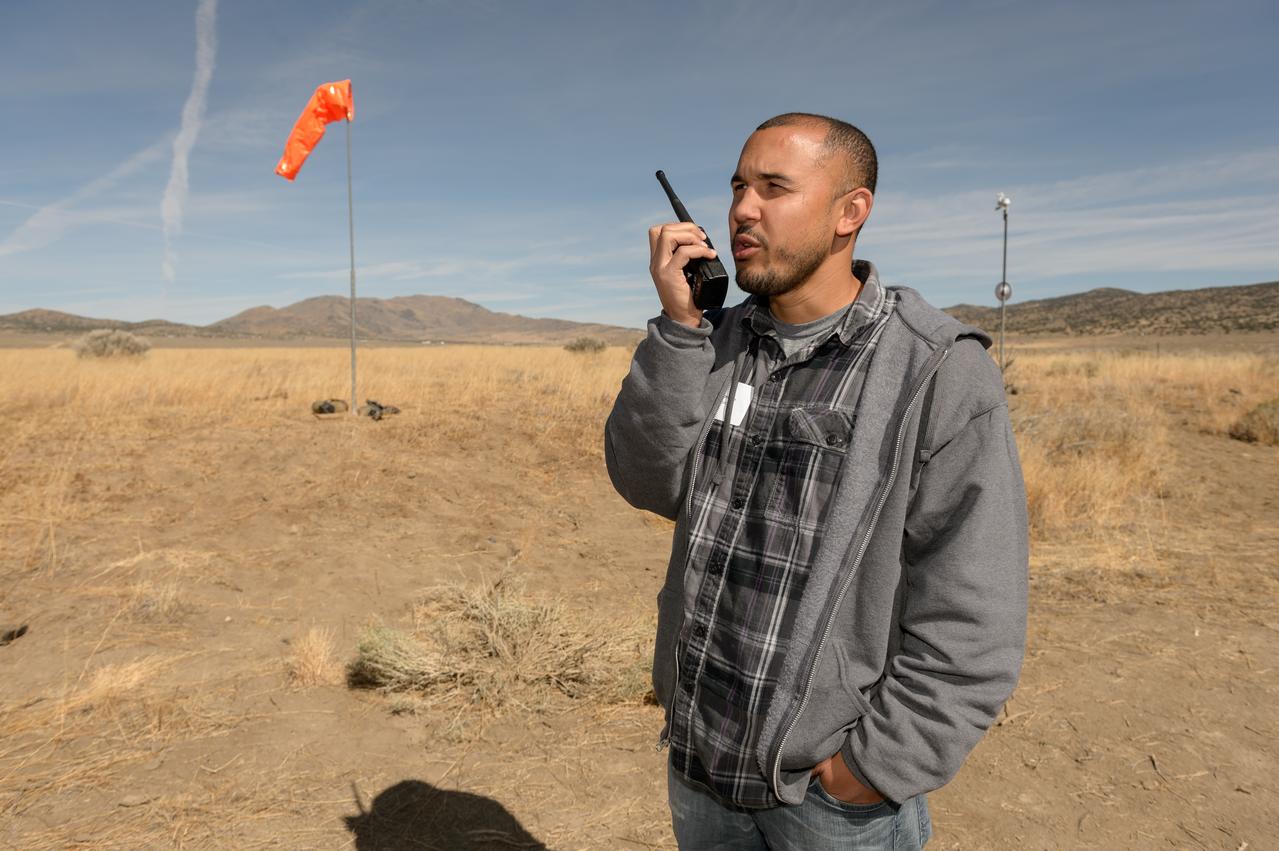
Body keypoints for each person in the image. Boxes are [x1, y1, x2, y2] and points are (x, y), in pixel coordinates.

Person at [604, 113, 1029, 850]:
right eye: (738, 186)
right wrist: (677, 327)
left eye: (773, 187)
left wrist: (875, 764)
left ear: (849, 212)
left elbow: (975, 600)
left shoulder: (932, 368)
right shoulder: (716, 343)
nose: (741, 208)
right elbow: (646, 480)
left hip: (827, 796)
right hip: (701, 757)